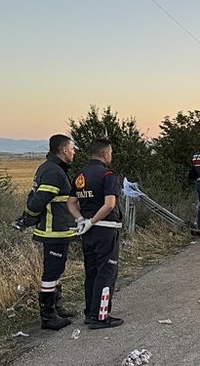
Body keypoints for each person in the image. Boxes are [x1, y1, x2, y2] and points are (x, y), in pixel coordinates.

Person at [14, 134, 79, 330]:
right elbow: (38, 200)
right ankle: (48, 316)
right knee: (51, 273)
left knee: (57, 270)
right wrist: (29, 216)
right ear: (64, 150)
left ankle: (57, 307)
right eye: (72, 148)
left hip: (59, 230)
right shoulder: (53, 171)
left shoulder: (54, 168)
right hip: (53, 231)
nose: (74, 152)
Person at [67, 138, 124, 329]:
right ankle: (101, 317)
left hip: (88, 232)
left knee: (91, 272)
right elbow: (109, 204)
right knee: (106, 273)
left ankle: (90, 313)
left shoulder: (80, 175)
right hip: (106, 230)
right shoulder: (108, 175)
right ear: (105, 153)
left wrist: (81, 220)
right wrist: (92, 221)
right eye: (111, 153)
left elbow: (71, 203)